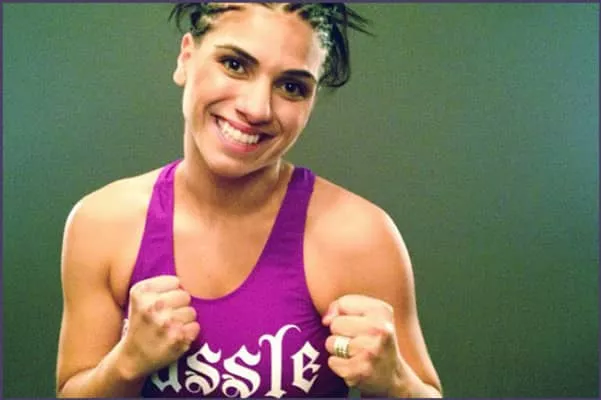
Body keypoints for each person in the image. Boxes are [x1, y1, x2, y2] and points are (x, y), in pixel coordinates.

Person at [56, 2, 442, 398]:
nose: (256, 109)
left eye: (291, 87)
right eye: (235, 65)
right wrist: (126, 363)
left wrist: (396, 381)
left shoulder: (358, 237)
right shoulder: (103, 224)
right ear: (186, 58)